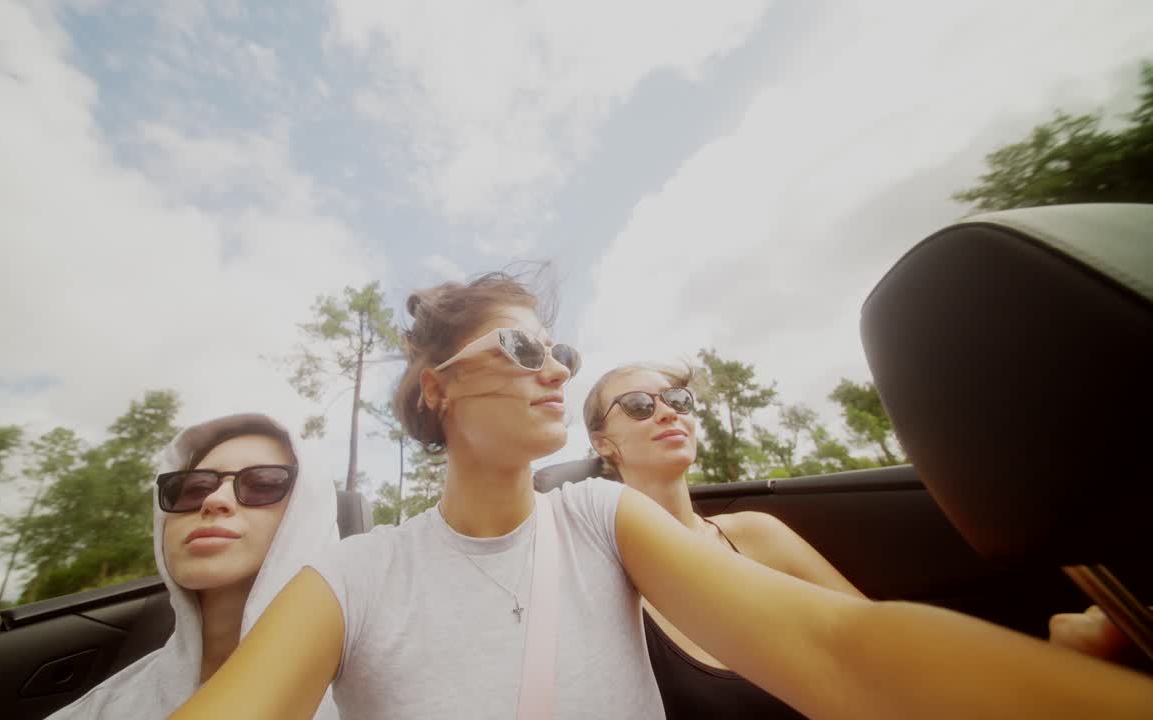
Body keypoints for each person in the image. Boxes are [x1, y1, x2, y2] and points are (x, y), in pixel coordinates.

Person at [172, 272, 1153, 720]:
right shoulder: (351, 575)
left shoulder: (604, 520)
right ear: (437, 385)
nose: (552, 369)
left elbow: (836, 647)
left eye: (559, 352)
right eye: (521, 350)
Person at [584, 362, 863, 719]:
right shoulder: (605, 587)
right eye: (639, 405)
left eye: (678, 400)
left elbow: (886, 644)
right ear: (603, 443)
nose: (668, 413)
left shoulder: (759, 534)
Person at [49, 412, 340, 719]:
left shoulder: (370, 701)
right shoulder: (99, 708)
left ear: (309, 517)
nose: (214, 499)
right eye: (193, 488)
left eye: (263, 484)